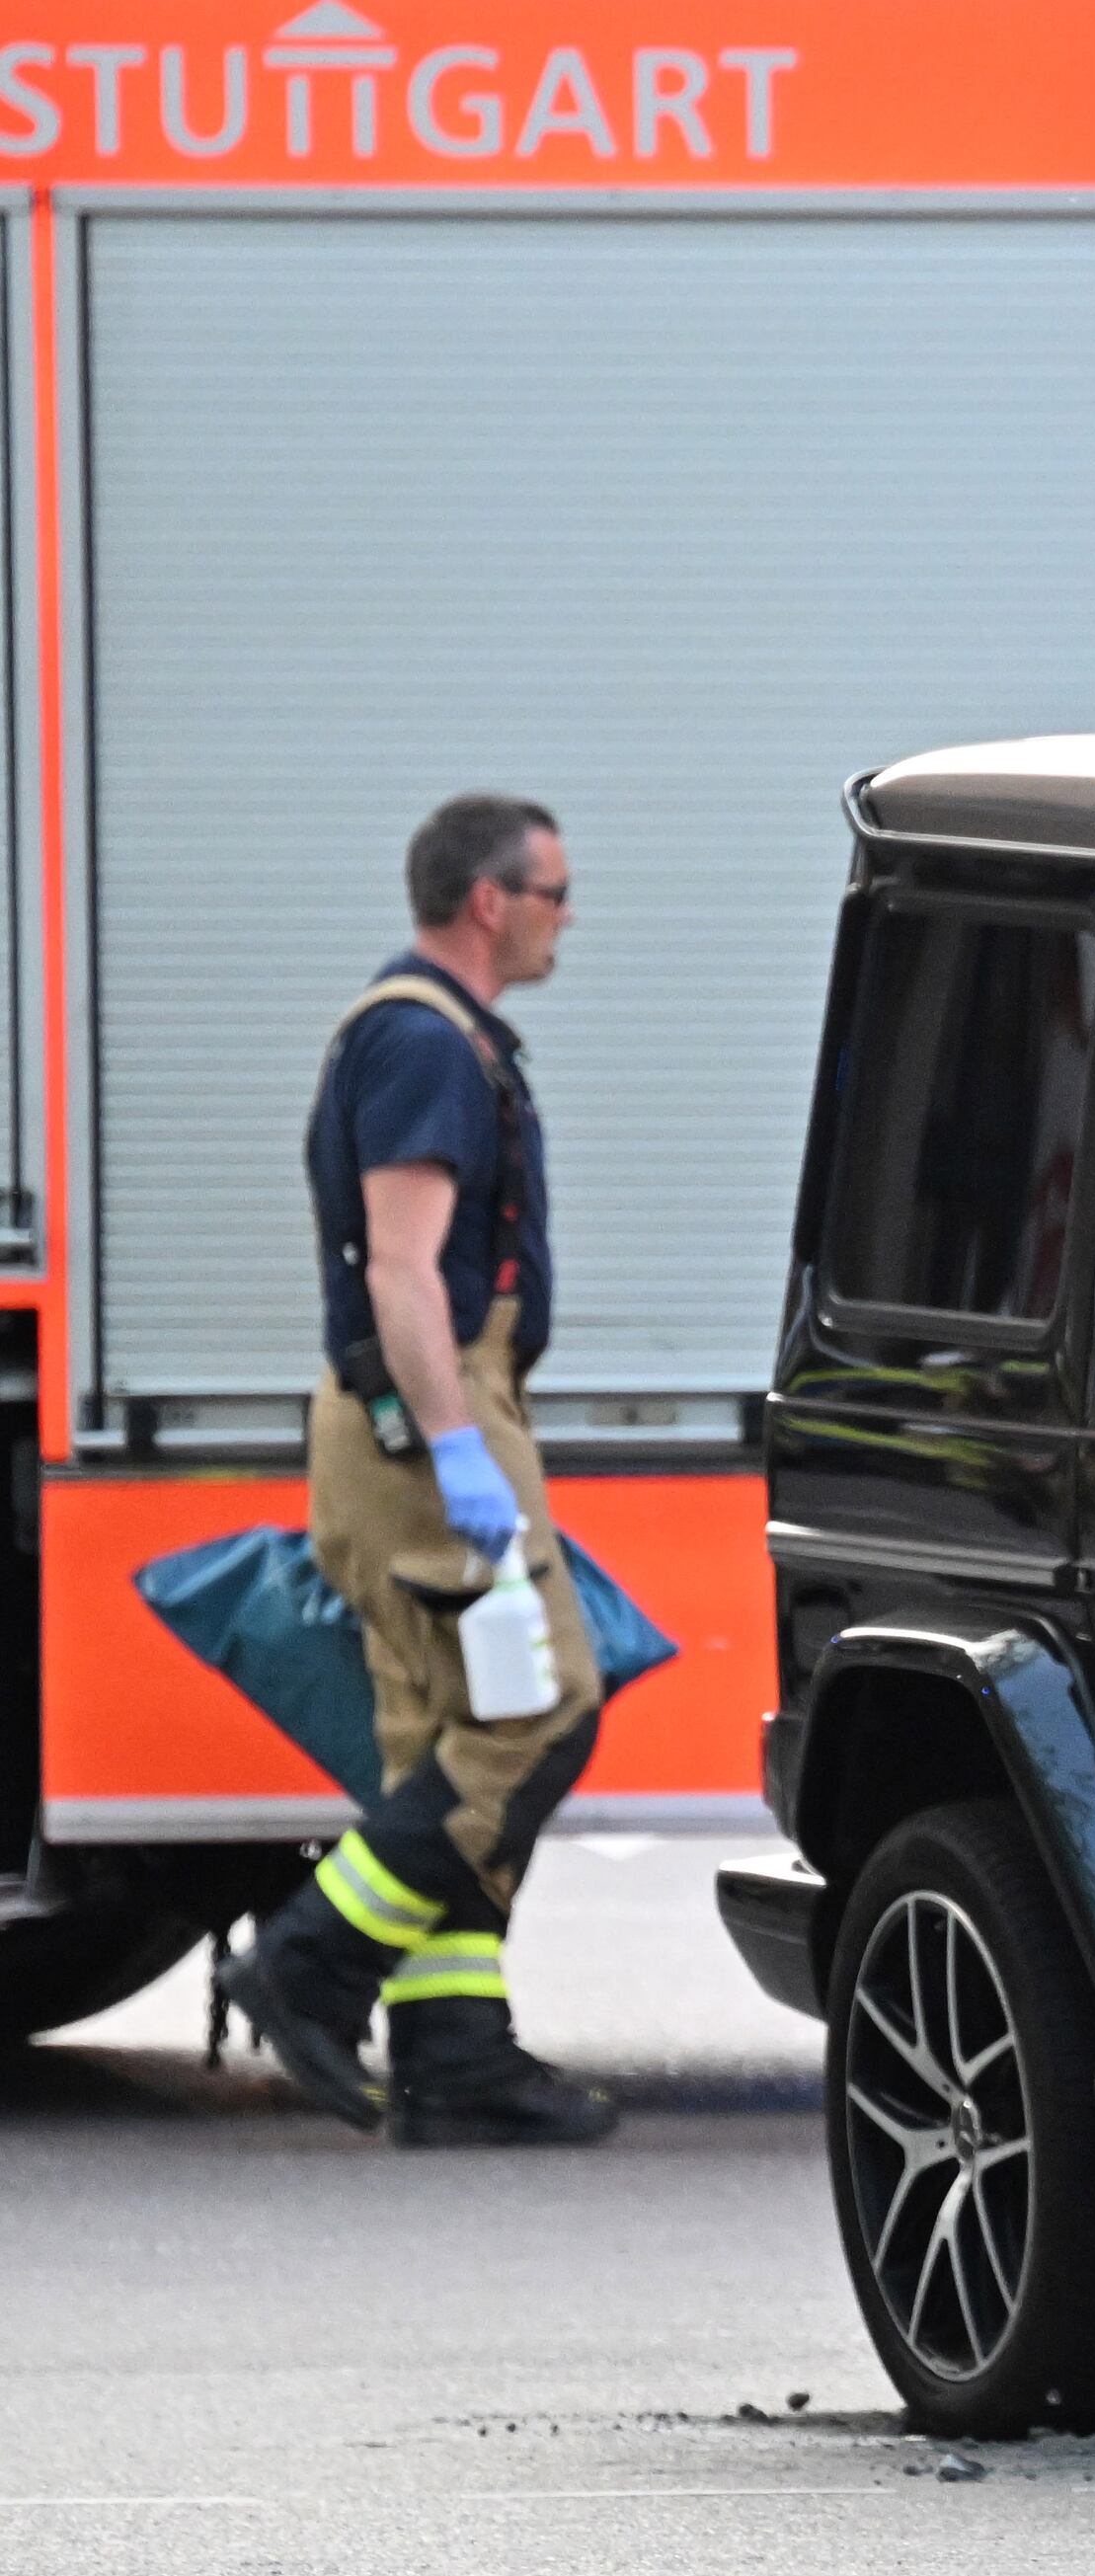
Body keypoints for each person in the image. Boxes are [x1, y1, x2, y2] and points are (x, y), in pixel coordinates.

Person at [212, 793, 620, 2147]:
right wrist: (457, 1449)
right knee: (542, 1708)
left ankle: (452, 2049)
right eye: (555, 891)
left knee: (443, 1728)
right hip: (424, 1419)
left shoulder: (426, 1039)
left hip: (420, 1413)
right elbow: (401, 1268)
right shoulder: (424, 1046)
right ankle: (308, 1963)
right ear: (488, 901)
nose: (569, 916)